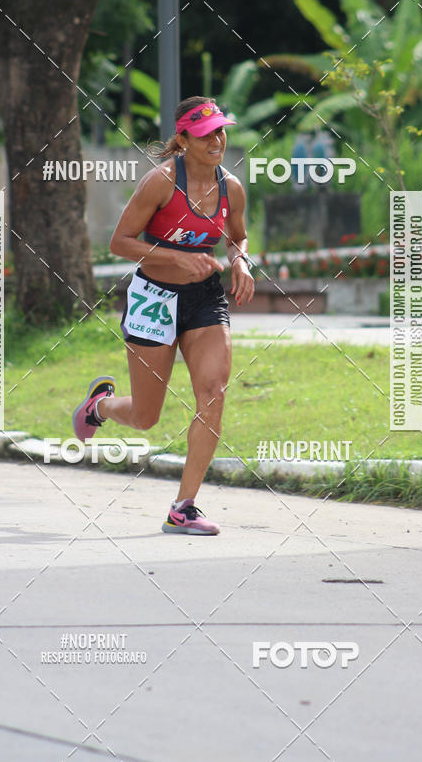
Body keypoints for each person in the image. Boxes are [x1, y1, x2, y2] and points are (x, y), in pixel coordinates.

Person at [72, 96, 255, 535]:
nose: (217, 139)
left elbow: (238, 238)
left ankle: (183, 506)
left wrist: (241, 261)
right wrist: (174, 256)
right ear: (182, 138)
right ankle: (100, 406)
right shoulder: (159, 183)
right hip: (154, 296)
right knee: (146, 417)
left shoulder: (231, 188)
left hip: (205, 300)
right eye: (206, 132)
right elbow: (119, 242)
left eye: (221, 130)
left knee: (213, 394)